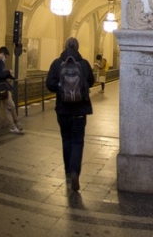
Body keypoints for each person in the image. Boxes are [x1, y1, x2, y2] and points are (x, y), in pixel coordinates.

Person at [46, 37, 95, 191]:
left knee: (66, 139)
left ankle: (68, 172)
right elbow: (92, 81)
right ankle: (75, 172)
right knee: (77, 141)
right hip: (80, 110)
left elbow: (50, 84)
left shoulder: (56, 63)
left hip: (63, 110)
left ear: (65, 46)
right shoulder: (84, 63)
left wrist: (61, 88)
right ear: (77, 47)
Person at [0, 46, 23, 134]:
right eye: (6, 57)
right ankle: (17, 122)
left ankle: (13, 127)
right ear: (2, 54)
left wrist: (10, 75)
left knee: (8, 108)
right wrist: (7, 73)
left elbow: (1, 73)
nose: (6, 59)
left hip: (2, 86)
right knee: (11, 105)